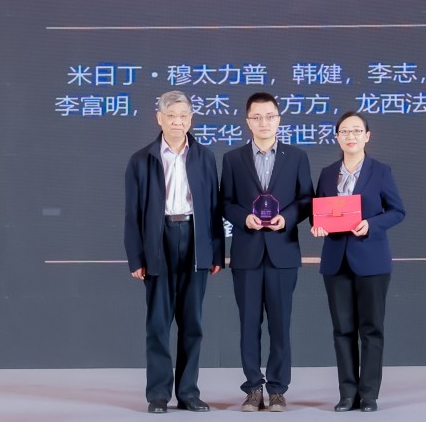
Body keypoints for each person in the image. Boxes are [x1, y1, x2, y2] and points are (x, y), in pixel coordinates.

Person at [124, 91, 224, 414]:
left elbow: (213, 207)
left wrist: (216, 252)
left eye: (183, 116)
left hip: (195, 239)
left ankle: (188, 393)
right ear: (159, 118)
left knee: (192, 323)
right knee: (158, 323)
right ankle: (157, 394)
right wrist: (136, 257)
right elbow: (132, 214)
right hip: (158, 240)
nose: (177, 122)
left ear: (190, 119)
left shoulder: (204, 157)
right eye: (171, 116)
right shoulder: (141, 160)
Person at [222, 92, 314, 412]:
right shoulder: (233, 159)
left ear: (279, 119)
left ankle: (277, 389)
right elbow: (225, 202)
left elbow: (306, 199)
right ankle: (252, 388)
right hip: (247, 252)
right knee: (249, 325)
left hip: (282, 252)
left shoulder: (297, 156)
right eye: (257, 117)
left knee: (280, 325)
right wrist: (242, 218)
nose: (264, 122)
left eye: (270, 116)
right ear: (248, 121)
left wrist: (286, 219)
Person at [310, 111, 405, 413]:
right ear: (337, 137)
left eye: (356, 131)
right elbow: (318, 213)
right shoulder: (327, 173)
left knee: (371, 329)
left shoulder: (381, 171)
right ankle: (347, 394)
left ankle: (369, 394)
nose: (350, 136)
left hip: (372, 260)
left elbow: (397, 211)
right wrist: (317, 226)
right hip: (335, 261)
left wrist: (371, 224)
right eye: (344, 131)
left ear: (367, 136)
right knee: (342, 330)